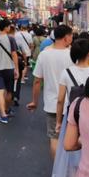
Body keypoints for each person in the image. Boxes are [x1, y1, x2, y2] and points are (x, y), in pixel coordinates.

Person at [51, 38, 89, 177]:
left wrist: (59, 121)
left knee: (73, 155)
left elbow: (60, 99)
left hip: (72, 117)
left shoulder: (66, 72)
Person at [27, 24, 74, 160]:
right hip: (72, 103)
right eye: (71, 36)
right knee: (72, 137)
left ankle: (57, 170)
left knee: (54, 137)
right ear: (66, 37)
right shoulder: (72, 54)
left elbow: (37, 81)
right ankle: (70, 170)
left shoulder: (44, 55)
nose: (72, 38)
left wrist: (34, 101)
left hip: (52, 104)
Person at [0, 19, 19, 124]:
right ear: (6, 27)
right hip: (9, 68)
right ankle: (7, 109)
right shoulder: (11, 39)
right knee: (10, 91)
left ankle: (3, 115)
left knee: (0, 91)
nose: (10, 28)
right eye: (9, 26)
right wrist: (17, 69)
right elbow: (14, 54)